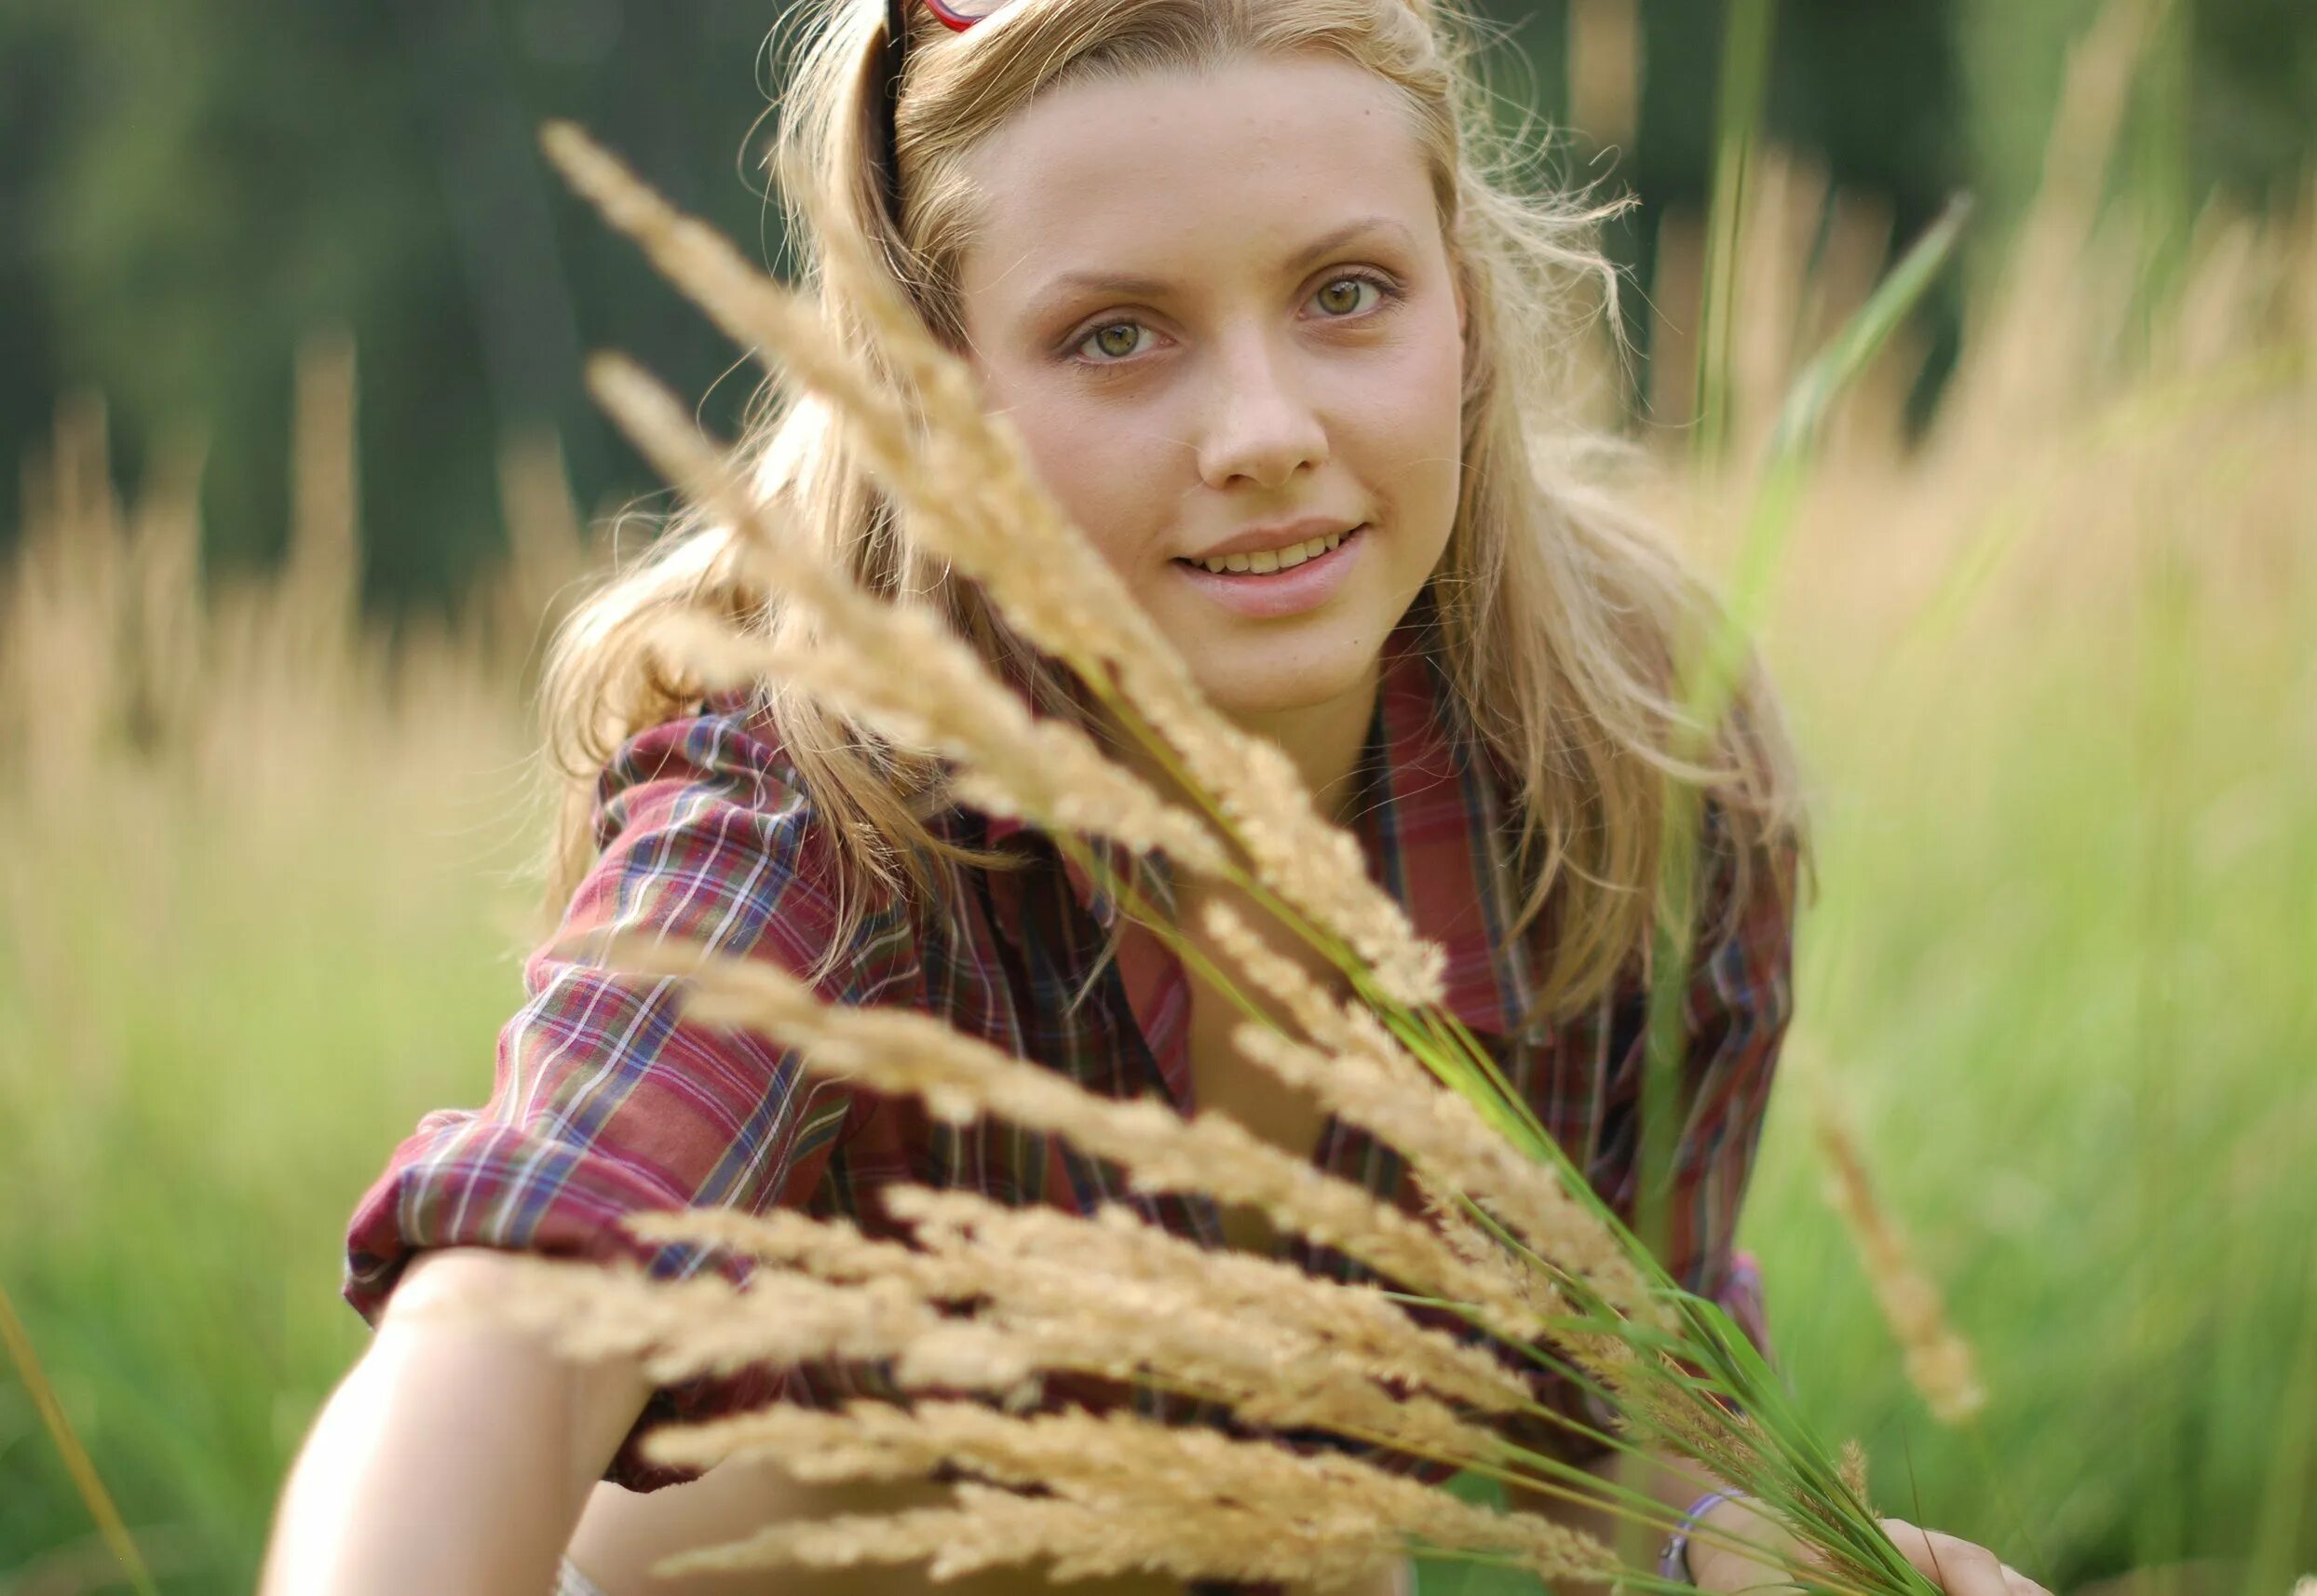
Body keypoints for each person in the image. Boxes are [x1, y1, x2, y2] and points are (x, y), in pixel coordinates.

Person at [257, 5, 2048, 1596]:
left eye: (1346, 294)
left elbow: (1617, 1393)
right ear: (936, 404)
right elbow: (508, 1310)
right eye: (1119, 335)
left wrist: (1763, 1543)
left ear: (1466, 315)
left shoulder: (1637, 759)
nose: (1263, 427)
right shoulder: (808, 792)